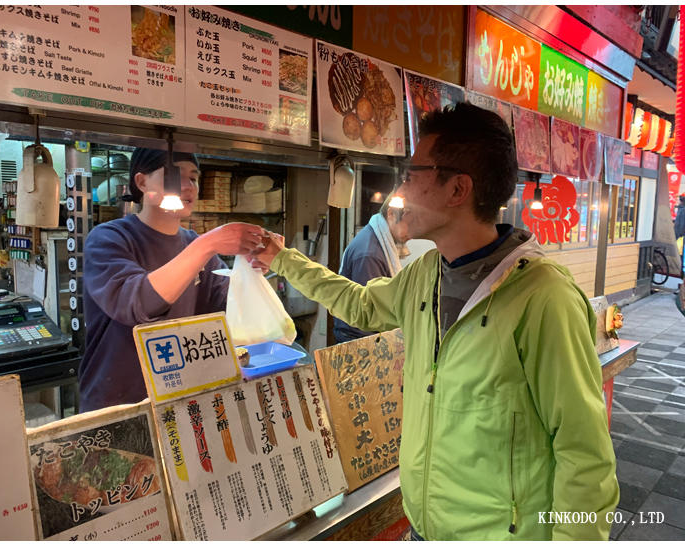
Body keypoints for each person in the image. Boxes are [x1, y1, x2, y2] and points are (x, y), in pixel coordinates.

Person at [251, 103, 619, 540]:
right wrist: (283, 260)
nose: (401, 189)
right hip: (425, 528)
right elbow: (362, 304)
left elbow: (585, 455)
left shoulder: (544, 298)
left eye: (412, 174)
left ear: (457, 189)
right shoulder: (427, 274)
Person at [80, 148, 265, 412]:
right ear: (142, 182)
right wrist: (207, 244)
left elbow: (230, 308)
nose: (189, 185)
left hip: (178, 400)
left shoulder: (195, 245)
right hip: (117, 405)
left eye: (194, 177)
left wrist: (252, 269)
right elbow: (137, 303)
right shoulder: (108, 238)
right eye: (176, 175)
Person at [333, 193, 408, 343]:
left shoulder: (377, 239)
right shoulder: (369, 254)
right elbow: (368, 311)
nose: (411, 233)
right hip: (358, 341)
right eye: (409, 224)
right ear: (391, 214)